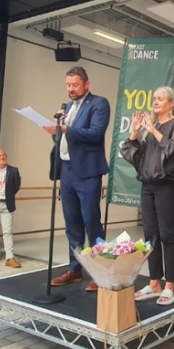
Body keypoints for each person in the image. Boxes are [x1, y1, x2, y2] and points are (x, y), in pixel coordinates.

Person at [42, 66, 110, 292]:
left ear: (86, 84)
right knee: (72, 223)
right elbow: (64, 139)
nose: (71, 89)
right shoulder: (68, 107)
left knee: (91, 220)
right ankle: (75, 268)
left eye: (75, 85)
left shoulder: (99, 103)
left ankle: (100, 271)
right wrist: (57, 133)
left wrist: (65, 129)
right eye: (68, 85)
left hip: (88, 172)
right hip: (67, 170)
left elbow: (96, 134)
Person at [120, 87, 174, 306]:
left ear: (171, 103)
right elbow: (134, 155)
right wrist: (135, 132)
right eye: (154, 99)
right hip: (148, 185)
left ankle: (170, 285)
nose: (155, 102)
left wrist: (155, 132)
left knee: (167, 234)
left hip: (168, 186)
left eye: (160, 99)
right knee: (150, 235)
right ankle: (154, 282)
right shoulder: (149, 127)